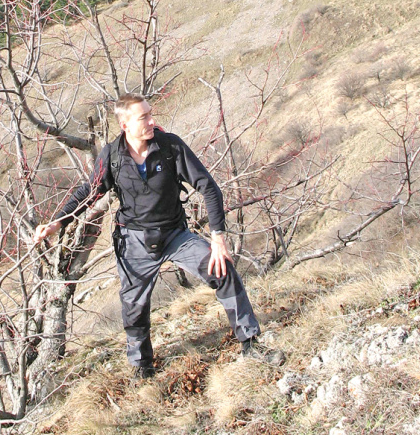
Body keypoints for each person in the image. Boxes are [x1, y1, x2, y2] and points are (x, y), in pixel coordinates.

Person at [33, 93, 282, 377]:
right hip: (134, 242)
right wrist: (57, 223)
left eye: (151, 114)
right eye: (144, 117)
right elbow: (87, 192)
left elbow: (208, 187)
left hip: (175, 234)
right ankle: (142, 368)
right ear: (125, 124)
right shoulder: (112, 156)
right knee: (133, 306)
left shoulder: (170, 146)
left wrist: (218, 237)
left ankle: (250, 340)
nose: (152, 121)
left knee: (222, 269)